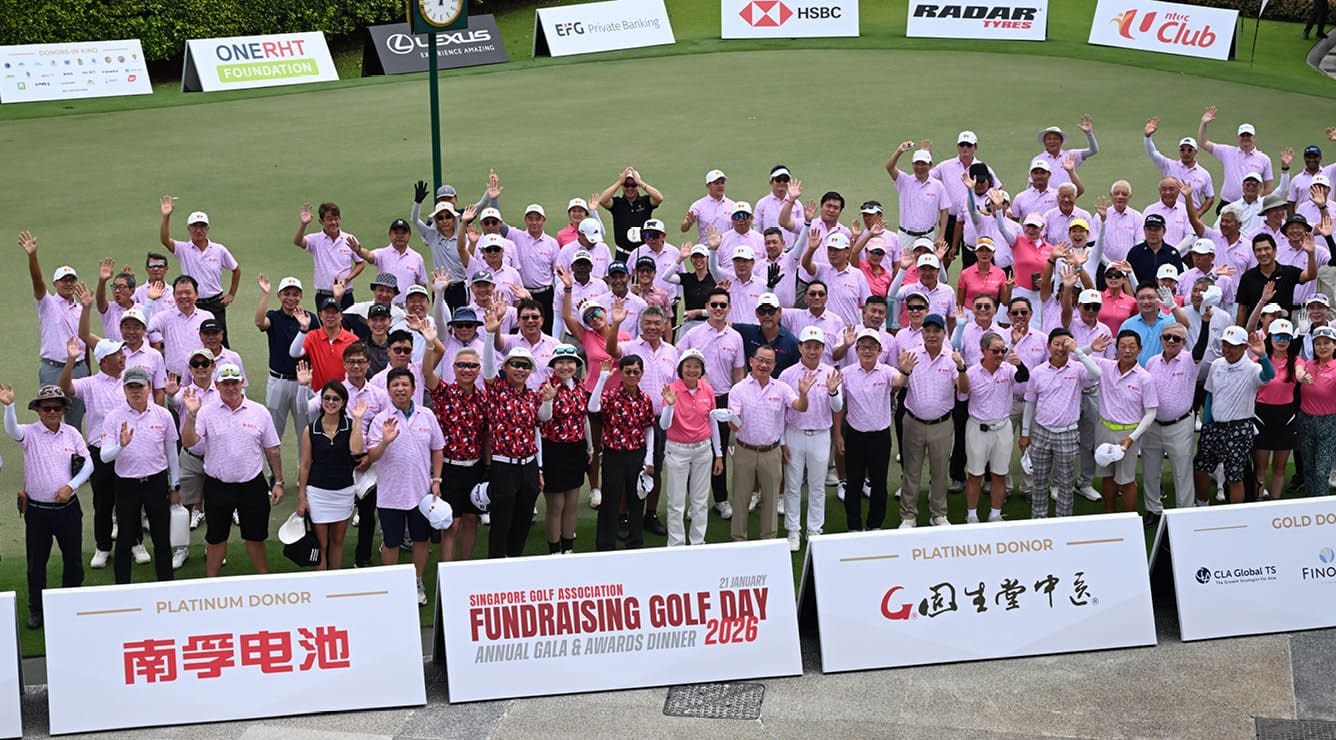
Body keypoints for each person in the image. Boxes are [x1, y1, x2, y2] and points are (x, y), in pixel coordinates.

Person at [181, 363, 284, 577]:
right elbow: (189, 442)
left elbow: (272, 450)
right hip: (218, 486)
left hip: (252, 485)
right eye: (225, 384)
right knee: (216, 538)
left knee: (255, 537)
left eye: (234, 383)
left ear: (242, 383)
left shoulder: (259, 412)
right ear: (217, 385)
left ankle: (263, 579)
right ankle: (212, 582)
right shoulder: (205, 412)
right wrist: (191, 416)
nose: (230, 388)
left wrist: (279, 483)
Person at [4, 384, 92, 629]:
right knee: (36, 564)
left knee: (73, 561)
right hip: (38, 512)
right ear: (39, 410)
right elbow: (11, 430)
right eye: (46, 408)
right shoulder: (29, 433)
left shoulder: (72, 433)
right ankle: (37, 610)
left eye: (56, 407)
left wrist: (71, 486)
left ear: (63, 410)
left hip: (68, 510)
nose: (52, 412)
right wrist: (9, 406)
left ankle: (70, 606)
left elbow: (88, 465)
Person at [297, 343, 388, 569]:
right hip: (335, 466)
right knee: (324, 540)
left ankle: (363, 558)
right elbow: (305, 409)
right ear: (345, 364)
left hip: (369, 462)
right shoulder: (334, 390)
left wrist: (370, 458)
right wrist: (303, 387)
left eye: (360, 362)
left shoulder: (379, 394)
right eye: (351, 362)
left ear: (368, 364)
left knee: (367, 515)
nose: (356, 366)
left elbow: (385, 423)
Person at [60, 335, 139, 569]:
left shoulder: (131, 379)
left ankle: (135, 542)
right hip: (99, 450)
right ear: (104, 361)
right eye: (117, 354)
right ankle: (103, 547)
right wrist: (70, 360)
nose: (123, 356)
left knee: (131, 499)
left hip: (129, 447)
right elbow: (66, 387)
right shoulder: (90, 383)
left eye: (122, 353)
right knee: (103, 502)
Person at [364, 368, 442, 602]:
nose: (400, 389)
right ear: (388, 391)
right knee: (391, 542)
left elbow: (437, 448)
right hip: (391, 494)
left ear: (413, 389)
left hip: (421, 493)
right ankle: (392, 584)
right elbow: (372, 456)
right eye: (395, 385)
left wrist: (436, 480)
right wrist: (385, 442)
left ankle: (417, 582)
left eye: (405, 385)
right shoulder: (381, 420)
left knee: (421, 540)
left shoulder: (426, 415)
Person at [97, 367, 178, 584]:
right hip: (126, 484)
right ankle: (122, 589)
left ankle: (166, 585)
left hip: (157, 481)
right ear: (124, 390)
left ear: (149, 388)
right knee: (124, 538)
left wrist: (176, 484)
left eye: (139, 387)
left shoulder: (163, 415)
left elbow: (171, 452)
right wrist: (120, 446)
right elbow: (105, 457)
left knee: (162, 538)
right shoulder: (114, 418)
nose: (135, 392)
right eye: (130, 387)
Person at [726, 345, 813, 541]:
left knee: (771, 500)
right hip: (744, 451)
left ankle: (769, 541)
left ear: (774, 365)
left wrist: (804, 394)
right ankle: (738, 540)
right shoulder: (738, 389)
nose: (764, 365)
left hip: (772, 452)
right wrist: (733, 422)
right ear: (751, 361)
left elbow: (799, 406)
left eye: (769, 362)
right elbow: (734, 417)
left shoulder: (782, 388)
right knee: (741, 499)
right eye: (760, 360)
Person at [606, 304, 677, 537]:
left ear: (665, 324)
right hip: (631, 421)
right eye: (648, 322)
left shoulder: (671, 351)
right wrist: (615, 323)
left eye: (658, 323)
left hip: (660, 419)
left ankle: (651, 514)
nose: (653, 327)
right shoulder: (630, 347)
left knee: (654, 468)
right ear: (640, 324)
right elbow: (611, 349)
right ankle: (624, 515)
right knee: (630, 470)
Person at [678, 287, 746, 520]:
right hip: (695, 399)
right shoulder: (693, 334)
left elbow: (739, 374)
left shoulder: (735, 337)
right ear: (706, 307)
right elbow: (679, 362)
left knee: (719, 451)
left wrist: (736, 405)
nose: (718, 309)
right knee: (695, 450)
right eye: (714, 305)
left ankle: (720, 499)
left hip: (723, 399)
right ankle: (694, 503)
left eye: (723, 305)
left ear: (729, 308)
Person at [1021, 330, 1101, 518]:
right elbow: (1030, 403)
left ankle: (1063, 521)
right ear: (1048, 346)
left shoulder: (1078, 369)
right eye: (1056, 344)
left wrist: (1078, 351)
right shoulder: (1037, 372)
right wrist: (1025, 433)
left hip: (1068, 433)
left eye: (1065, 344)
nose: (1060, 348)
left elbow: (1096, 374)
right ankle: (1038, 518)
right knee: (1039, 480)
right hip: (1041, 431)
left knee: (1065, 483)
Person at [481, 345, 551, 558]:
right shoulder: (497, 390)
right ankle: (496, 565)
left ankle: (514, 561)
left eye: (525, 366)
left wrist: (548, 399)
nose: (520, 369)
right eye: (515, 364)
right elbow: (488, 367)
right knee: (502, 519)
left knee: (524, 518)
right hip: (504, 465)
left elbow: (542, 420)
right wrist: (491, 334)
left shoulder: (532, 395)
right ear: (506, 367)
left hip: (528, 465)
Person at [1194, 327, 1273, 504]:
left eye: (1233, 346)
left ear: (1245, 347)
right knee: (1200, 468)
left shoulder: (1253, 368)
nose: (1227, 349)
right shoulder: (1217, 364)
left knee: (1234, 477)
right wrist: (1207, 423)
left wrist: (1263, 356)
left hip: (1239, 428)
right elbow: (1211, 395)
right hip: (1214, 426)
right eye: (1225, 344)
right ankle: (1202, 506)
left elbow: (1269, 376)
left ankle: (1236, 517)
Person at [18, 231, 88, 430]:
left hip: (79, 368)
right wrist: (33, 256)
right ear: (55, 284)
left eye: (71, 280)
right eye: (64, 280)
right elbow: (37, 282)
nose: (68, 283)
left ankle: (74, 458)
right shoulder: (47, 303)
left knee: (75, 420)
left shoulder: (82, 308)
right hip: (53, 369)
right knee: (50, 418)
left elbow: (84, 340)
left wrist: (88, 369)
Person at [779, 327, 842, 549]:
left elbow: (838, 407)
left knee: (817, 485)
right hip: (794, 433)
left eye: (817, 347)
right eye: (808, 346)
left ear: (823, 348)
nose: (812, 351)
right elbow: (781, 412)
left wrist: (834, 392)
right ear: (800, 347)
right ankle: (793, 530)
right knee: (793, 485)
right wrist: (781, 441)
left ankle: (814, 529)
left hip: (821, 434)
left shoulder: (831, 373)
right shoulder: (787, 375)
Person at [957, 331, 1027, 523]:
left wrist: (1019, 362)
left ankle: (995, 514)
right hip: (977, 428)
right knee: (975, 475)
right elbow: (962, 395)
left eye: (1002, 351)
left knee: (999, 474)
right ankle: (972, 515)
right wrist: (961, 370)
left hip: (1003, 428)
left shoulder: (1008, 369)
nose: (999, 355)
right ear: (983, 351)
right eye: (995, 351)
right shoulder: (970, 373)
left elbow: (1023, 377)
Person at [837, 328, 903, 531]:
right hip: (855, 435)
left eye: (872, 347)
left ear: (879, 350)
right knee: (854, 484)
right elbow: (839, 406)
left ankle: (875, 525)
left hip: (880, 437)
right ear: (857, 350)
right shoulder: (846, 373)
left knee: (879, 484)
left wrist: (906, 371)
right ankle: (854, 526)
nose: (867, 351)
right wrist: (838, 434)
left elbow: (900, 381)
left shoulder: (887, 371)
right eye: (864, 347)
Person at [588, 356, 655, 550]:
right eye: (628, 371)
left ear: (641, 374)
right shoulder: (611, 395)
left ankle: (635, 543)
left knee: (636, 499)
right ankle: (605, 545)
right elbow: (593, 407)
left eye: (636, 371)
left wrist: (649, 458)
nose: (632, 375)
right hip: (614, 455)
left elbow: (649, 428)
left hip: (637, 455)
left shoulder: (645, 399)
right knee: (610, 500)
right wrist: (602, 378)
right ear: (621, 373)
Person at [297, 381, 366, 571]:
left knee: (337, 541)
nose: (331, 402)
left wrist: (358, 419)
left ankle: (335, 583)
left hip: (344, 491)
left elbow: (356, 450)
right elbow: (305, 465)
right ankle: (322, 586)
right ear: (321, 401)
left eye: (336, 398)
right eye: (327, 398)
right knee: (321, 544)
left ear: (343, 402)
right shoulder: (310, 429)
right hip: (317, 492)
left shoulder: (351, 425)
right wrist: (302, 497)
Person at [898, 314, 959, 527]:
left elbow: (964, 390)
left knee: (940, 471)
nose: (932, 335)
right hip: (913, 422)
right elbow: (898, 387)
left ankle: (938, 514)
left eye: (937, 331)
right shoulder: (911, 356)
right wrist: (903, 370)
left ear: (944, 333)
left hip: (942, 424)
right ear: (922, 333)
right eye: (928, 331)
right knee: (911, 471)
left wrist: (961, 367)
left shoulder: (952, 358)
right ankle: (908, 515)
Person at [660, 349, 723, 546]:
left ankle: (697, 542)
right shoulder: (672, 389)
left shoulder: (707, 389)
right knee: (676, 503)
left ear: (702, 369)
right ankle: (676, 544)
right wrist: (670, 405)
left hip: (703, 450)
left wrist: (719, 454)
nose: (692, 370)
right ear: (681, 368)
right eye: (688, 366)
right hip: (677, 450)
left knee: (700, 501)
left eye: (697, 366)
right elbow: (664, 425)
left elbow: (712, 422)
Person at [1090, 331, 1158, 514]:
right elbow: (1075, 357)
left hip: (1128, 434)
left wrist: (1132, 438)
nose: (1127, 351)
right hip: (1104, 428)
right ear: (1116, 348)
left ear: (1140, 350)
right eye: (1123, 346)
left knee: (1126, 480)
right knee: (1107, 476)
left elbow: (1151, 412)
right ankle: (1110, 516)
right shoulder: (1105, 366)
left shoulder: (1145, 378)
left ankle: (1130, 520)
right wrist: (1090, 348)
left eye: (1132, 347)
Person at [158, 197, 241, 344]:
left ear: (207, 229)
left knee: (220, 341)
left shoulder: (218, 249)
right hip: (193, 303)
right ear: (189, 229)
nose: (198, 230)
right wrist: (166, 216)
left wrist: (231, 294)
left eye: (202, 226)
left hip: (216, 302)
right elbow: (165, 240)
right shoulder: (183, 249)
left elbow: (236, 269)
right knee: (194, 341)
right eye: (195, 226)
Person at [535, 344, 590, 554]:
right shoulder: (547, 386)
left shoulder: (581, 387)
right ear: (553, 365)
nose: (565, 366)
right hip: (553, 450)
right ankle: (554, 550)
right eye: (560, 362)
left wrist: (590, 448)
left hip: (576, 449)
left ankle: (568, 548)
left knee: (572, 504)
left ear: (576, 365)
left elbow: (584, 418)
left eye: (570, 362)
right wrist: (548, 400)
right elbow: (543, 418)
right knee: (556, 505)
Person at [1141, 323, 1197, 525]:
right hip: (1153, 424)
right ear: (1161, 339)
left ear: (1184, 342)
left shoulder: (1190, 360)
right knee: (1150, 469)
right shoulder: (1152, 362)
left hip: (1179, 424)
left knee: (1182, 470)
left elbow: (1201, 347)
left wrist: (1206, 324)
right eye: (1167, 337)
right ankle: (1153, 509)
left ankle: (1185, 513)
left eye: (1176, 338)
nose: (1171, 341)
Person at [254, 274, 315, 457]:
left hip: (302, 383)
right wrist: (265, 294)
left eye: (295, 294)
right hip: (278, 381)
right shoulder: (273, 316)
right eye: (286, 293)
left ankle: (303, 475)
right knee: (273, 432)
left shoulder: (309, 318)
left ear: (301, 296)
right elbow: (259, 321)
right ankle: (275, 476)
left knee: (304, 431)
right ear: (279, 296)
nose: (291, 298)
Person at [1253, 319, 1302, 500]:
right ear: (1271, 337)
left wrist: (1302, 376)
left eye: (1287, 337)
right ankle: (1258, 503)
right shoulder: (1259, 359)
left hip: (1286, 417)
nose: (1282, 341)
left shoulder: (1296, 360)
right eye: (1279, 336)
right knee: (1260, 467)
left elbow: (1299, 372)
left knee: (1279, 468)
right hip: (1262, 416)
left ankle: (1275, 504)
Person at [293, 201, 365, 310]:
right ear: (321, 221)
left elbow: (360, 263)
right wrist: (303, 224)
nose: (334, 222)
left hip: (346, 294)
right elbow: (298, 241)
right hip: (324, 295)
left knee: (346, 326)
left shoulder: (349, 239)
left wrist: (346, 279)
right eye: (329, 219)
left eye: (336, 218)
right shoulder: (315, 240)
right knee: (326, 327)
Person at [502, 204, 561, 335]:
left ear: (543, 220)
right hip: (522, 293)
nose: (534, 222)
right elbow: (500, 225)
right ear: (525, 220)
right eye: (530, 218)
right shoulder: (516, 236)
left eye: (537, 219)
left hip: (545, 294)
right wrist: (492, 199)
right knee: (520, 330)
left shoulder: (552, 243)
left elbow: (556, 272)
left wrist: (557, 296)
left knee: (545, 330)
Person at [1236, 233, 1320, 324]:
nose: (1263, 253)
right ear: (1254, 253)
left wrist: (1311, 254)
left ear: (1275, 250)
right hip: (1256, 332)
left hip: (1283, 330)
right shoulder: (1248, 277)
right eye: (1259, 250)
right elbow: (1242, 309)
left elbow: (1311, 275)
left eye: (1266, 249)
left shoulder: (1288, 272)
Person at [1198, 107, 1276, 205]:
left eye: (1248, 136)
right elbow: (1202, 142)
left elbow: (1268, 187)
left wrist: (1261, 205)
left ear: (1254, 137)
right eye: (1243, 136)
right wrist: (1203, 123)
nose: (1245, 138)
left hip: (1251, 205)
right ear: (1238, 137)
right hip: (1227, 204)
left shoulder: (1264, 159)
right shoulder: (1227, 151)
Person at [885, 141, 950, 254]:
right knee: (903, 268)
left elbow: (944, 211)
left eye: (923, 164)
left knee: (929, 269)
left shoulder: (937, 185)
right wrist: (900, 151)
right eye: (917, 163)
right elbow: (889, 167)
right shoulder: (904, 181)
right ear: (913, 165)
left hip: (928, 236)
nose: (920, 167)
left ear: (930, 165)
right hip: (906, 237)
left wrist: (941, 235)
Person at [1295, 326, 1336, 496]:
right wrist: (1300, 374)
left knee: (1321, 472)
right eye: (1318, 343)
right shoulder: (1307, 364)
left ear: (1334, 345)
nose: (1322, 347)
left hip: (1328, 422)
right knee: (1309, 468)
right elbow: (1296, 360)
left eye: (1327, 343)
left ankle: (1321, 511)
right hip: (1305, 420)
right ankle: (1310, 508)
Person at [1143, 119, 1215, 215]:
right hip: (1170, 214)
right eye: (1182, 149)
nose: (1186, 153)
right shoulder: (1169, 165)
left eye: (1189, 150)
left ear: (1195, 152)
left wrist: (1199, 214)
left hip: (1191, 217)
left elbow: (1210, 197)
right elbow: (1153, 153)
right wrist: (1148, 137)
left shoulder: (1204, 174)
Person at [149, 275, 215, 378]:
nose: (183, 296)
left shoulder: (207, 316)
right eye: (179, 293)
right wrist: (150, 300)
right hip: (174, 379)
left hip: (201, 377)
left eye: (188, 293)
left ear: (196, 294)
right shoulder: (164, 317)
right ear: (173, 295)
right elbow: (143, 328)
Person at [351, 219, 428, 305]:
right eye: (396, 233)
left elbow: (422, 285)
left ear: (409, 235)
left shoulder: (417, 258)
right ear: (390, 235)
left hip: (408, 308)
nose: (400, 236)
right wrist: (359, 250)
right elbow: (369, 256)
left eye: (403, 233)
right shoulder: (382, 253)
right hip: (385, 306)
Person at [291, 296, 360, 390]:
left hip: (345, 394)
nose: (330, 316)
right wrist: (303, 329)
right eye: (327, 312)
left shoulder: (353, 340)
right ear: (320, 315)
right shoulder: (312, 336)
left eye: (334, 312)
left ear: (341, 316)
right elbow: (294, 353)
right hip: (318, 395)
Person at [597, 167, 664, 260]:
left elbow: (659, 198)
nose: (630, 188)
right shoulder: (617, 203)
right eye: (626, 185)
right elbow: (602, 200)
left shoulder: (645, 202)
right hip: (623, 253)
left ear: (638, 186)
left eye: (633, 185)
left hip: (643, 252)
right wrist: (619, 182)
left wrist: (640, 182)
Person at [1119, 282, 1191, 366]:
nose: (1146, 302)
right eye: (1141, 298)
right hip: (1136, 375)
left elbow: (1186, 325)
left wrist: (1173, 306)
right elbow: (1119, 353)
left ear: (1159, 298)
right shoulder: (1128, 325)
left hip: (1164, 372)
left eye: (1150, 297)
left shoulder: (1170, 321)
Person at [733, 293, 799, 372]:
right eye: (762, 311)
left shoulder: (792, 343)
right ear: (756, 313)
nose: (767, 315)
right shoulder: (748, 332)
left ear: (779, 311)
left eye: (771, 311)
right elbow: (723, 324)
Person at [1033, 118, 1099, 187]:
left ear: (1061, 141)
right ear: (1044, 142)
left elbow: (1093, 150)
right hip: (1046, 197)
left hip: (1067, 196)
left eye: (1055, 138)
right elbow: (1032, 182)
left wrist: (1089, 133)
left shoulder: (1071, 155)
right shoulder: (1038, 160)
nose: (1052, 142)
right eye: (1049, 139)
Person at [682, 169, 735, 245]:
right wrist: (689, 222)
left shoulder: (732, 205)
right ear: (708, 185)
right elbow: (684, 229)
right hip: (706, 252)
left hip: (726, 250)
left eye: (722, 183)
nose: (720, 186)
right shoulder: (698, 205)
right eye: (717, 183)